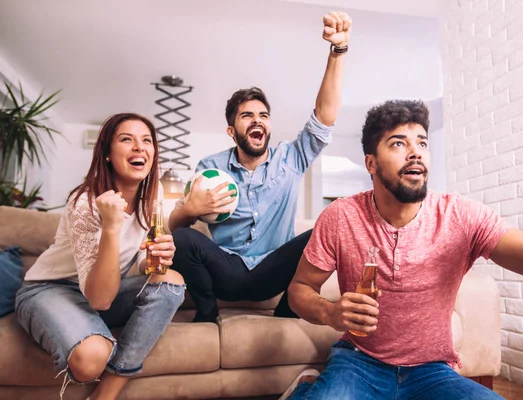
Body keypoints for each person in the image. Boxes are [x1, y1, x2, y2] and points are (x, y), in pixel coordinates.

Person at [282, 100, 523, 400]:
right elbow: (300, 289)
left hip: (431, 371)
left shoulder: (461, 216)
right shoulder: (341, 216)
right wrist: (330, 312)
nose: (415, 153)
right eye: (398, 143)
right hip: (358, 362)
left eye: (422, 143)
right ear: (371, 164)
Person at [169, 11, 352, 323]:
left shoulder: (291, 157)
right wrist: (189, 209)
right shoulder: (210, 169)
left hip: (272, 272)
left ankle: (287, 311)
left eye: (263, 115)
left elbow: (324, 117)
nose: (257, 120)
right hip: (224, 270)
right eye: (246, 115)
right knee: (183, 239)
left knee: (327, 228)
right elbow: (174, 226)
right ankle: (207, 313)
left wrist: (337, 51)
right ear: (232, 131)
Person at [15, 113, 186, 400]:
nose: (139, 147)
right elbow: (100, 300)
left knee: (170, 280)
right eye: (126, 139)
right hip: (51, 289)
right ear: (107, 153)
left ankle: (105, 394)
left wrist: (153, 260)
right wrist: (111, 226)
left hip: (104, 287)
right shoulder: (84, 202)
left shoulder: (151, 201)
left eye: (146, 140)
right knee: (91, 357)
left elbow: (132, 265)